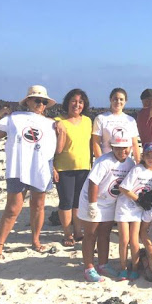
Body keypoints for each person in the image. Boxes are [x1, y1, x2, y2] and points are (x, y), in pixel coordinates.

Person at [0, 85, 59, 259]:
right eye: (37, 100)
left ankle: (35, 240)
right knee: (12, 209)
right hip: (17, 169)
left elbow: (52, 150)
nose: (40, 104)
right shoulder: (14, 118)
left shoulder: (51, 124)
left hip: (41, 170)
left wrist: (54, 167)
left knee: (38, 206)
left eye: (44, 102)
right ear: (28, 101)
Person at [77, 133, 134, 282]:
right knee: (90, 234)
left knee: (105, 233)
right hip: (93, 200)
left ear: (130, 147)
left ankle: (103, 264)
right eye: (118, 148)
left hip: (110, 202)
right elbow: (93, 183)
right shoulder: (104, 161)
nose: (122, 151)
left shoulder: (130, 163)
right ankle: (89, 268)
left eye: (125, 148)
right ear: (112, 147)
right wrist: (92, 205)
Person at [115, 142, 152, 280]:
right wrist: (138, 199)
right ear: (143, 156)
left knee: (135, 240)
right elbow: (123, 188)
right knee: (124, 239)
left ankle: (135, 268)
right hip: (125, 206)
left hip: (138, 210)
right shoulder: (137, 169)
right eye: (148, 155)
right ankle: (123, 267)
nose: (151, 159)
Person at [53, 88, 92, 247]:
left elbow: (91, 144)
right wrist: (53, 167)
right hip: (64, 169)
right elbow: (50, 147)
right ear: (67, 103)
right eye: (74, 101)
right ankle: (67, 233)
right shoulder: (58, 121)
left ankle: (77, 230)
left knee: (78, 202)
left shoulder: (88, 121)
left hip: (84, 167)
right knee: (66, 202)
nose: (77, 105)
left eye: (80, 102)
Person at [92, 88, 141, 163]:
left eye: (121, 99)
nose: (118, 101)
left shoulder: (131, 120)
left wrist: (138, 163)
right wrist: (100, 162)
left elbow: (134, 144)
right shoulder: (100, 118)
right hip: (107, 162)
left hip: (126, 164)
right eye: (115, 99)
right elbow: (96, 143)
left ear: (125, 101)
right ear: (110, 100)